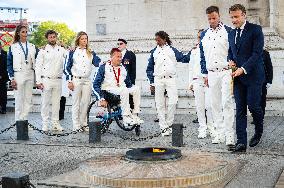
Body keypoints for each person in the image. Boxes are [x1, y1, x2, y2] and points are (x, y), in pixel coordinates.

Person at [228, 4, 265, 152]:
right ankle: (241, 142)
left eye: (236, 17)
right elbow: (231, 52)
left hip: (254, 76)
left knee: (253, 106)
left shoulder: (256, 30)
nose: (234, 20)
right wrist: (230, 60)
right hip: (237, 78)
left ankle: (259, 130)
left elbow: (256, 54)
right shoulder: (231, 33)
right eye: (231, 17)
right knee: (240, 109)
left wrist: (242, 69)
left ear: (244, 15)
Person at [200, 6, 235, 149]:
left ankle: (229, 135)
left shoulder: (228, 31)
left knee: (226, 102)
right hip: (212, 73)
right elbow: (202, 56)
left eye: (214, 18)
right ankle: (219, 133)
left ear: (219, 16)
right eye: (209, 18)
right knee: (214, 104)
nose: (212, 21)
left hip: (226, 71)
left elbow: (234, 49)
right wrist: (205, 74)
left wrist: (234, 64)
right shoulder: (204, 34)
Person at [146, 31, 190, 136]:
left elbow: (183, 58)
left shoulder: (172, 50)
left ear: (164, 39)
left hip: (171, 79)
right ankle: (163, 127)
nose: (157, 42)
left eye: (158, 39)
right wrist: (152, 82)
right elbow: (149, 68)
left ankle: (169, 124)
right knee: (159, 103)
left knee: (173, 101)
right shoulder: (154, 52)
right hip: (158, 79)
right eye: (156, 40)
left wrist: (193, 52)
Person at [93, 48, 143, 125]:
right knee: (124, 90)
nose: (120, 59)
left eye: (121, 57)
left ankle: (134, 114)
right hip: (108, 91)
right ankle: (125, 117)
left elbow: (128, 83)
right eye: (118, 57)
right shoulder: (104, 67)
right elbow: (95, 84)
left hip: (120, 89)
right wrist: (101, 98)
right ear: (112, 57)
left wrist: (132, 88)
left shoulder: (123, 68)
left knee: (136, 89)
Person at [64, 31, 101, 131]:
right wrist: (69, 81)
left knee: (85, 103)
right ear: (78, 40)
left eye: (86, 39)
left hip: (87, 81)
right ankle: (76, 125)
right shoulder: (72, 52)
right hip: (76, 80)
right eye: (82, 39)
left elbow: (98, 63)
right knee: (76, 103)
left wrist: (106, 62)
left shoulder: (91, 52)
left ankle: (84, 123)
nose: (84, 40)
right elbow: (66, 67)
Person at [35, 30, 67, 132]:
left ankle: (55, 123)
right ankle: (45, 124)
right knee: (45, 103)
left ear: (56, 37)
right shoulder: (42, 51)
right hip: (46, 80)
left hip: (58, 80)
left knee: (56, 103)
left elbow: (69, 57)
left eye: (54, 37)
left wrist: (65, 46)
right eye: (50, 37)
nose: (52, 39)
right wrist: (38, 81)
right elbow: (38, 66)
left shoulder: (61, 50)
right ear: (47, 38)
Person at [7, 24, 38, 121]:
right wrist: (12, 78)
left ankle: (23, 120)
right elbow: (9, 63)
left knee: (28, 100)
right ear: (18, 33)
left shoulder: (33, 46)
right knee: (19, 100)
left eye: (26, 32)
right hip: (18, 74)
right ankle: (18, 122)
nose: (25, 34)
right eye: (23, 32)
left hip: (30, 74)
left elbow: (39, 60)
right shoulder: (13, 47)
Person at [188, 29, 214, 139]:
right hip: (197, 80)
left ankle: (212, 128)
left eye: (201, 36)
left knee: (209, 106)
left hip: (209, 80)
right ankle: (202, 128)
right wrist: (191, 82)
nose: (200, 39)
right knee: (200, 106)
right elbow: (191, 67)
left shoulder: (211, 49)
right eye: (198, 37)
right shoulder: (194, 51)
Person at [117, 39, 136, 110]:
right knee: (119, 98)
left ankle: (131, 112)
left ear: (125, 45)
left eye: (121, 44)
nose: (119, 45)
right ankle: (119, 113)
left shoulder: (130, 54)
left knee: (129, 97)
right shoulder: (116, 54)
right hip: (118, 80)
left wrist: (132, 82)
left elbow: (133, 70)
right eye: (118, 44)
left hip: (128, 81)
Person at [0, 45, 8, 114]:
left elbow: (6, 68)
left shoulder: (4, 56)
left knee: (3, 94)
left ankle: (3, 108)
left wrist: (2, 76)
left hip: (2, 79)